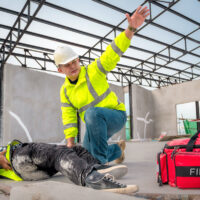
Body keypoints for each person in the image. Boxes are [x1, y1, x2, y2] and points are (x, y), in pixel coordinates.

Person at [54, 6, 150, 164]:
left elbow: (112, 52)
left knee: (91, 114)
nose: (73, 66)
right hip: (95, 127)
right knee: (85, 156)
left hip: (115, 116)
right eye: (67, 65)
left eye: (74, 61)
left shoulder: (94, 70)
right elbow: (68, 116)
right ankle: (118, 150)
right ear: (60, 69)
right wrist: (70, 143)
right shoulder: (65, 91)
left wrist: (131, 28)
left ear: (78, 60)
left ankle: (100, 167)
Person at [0, 140, 138, 194]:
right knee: (60, 153)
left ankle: (95, 169)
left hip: (27, 171)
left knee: (74, 150)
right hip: (17, 157)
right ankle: (93, 179)